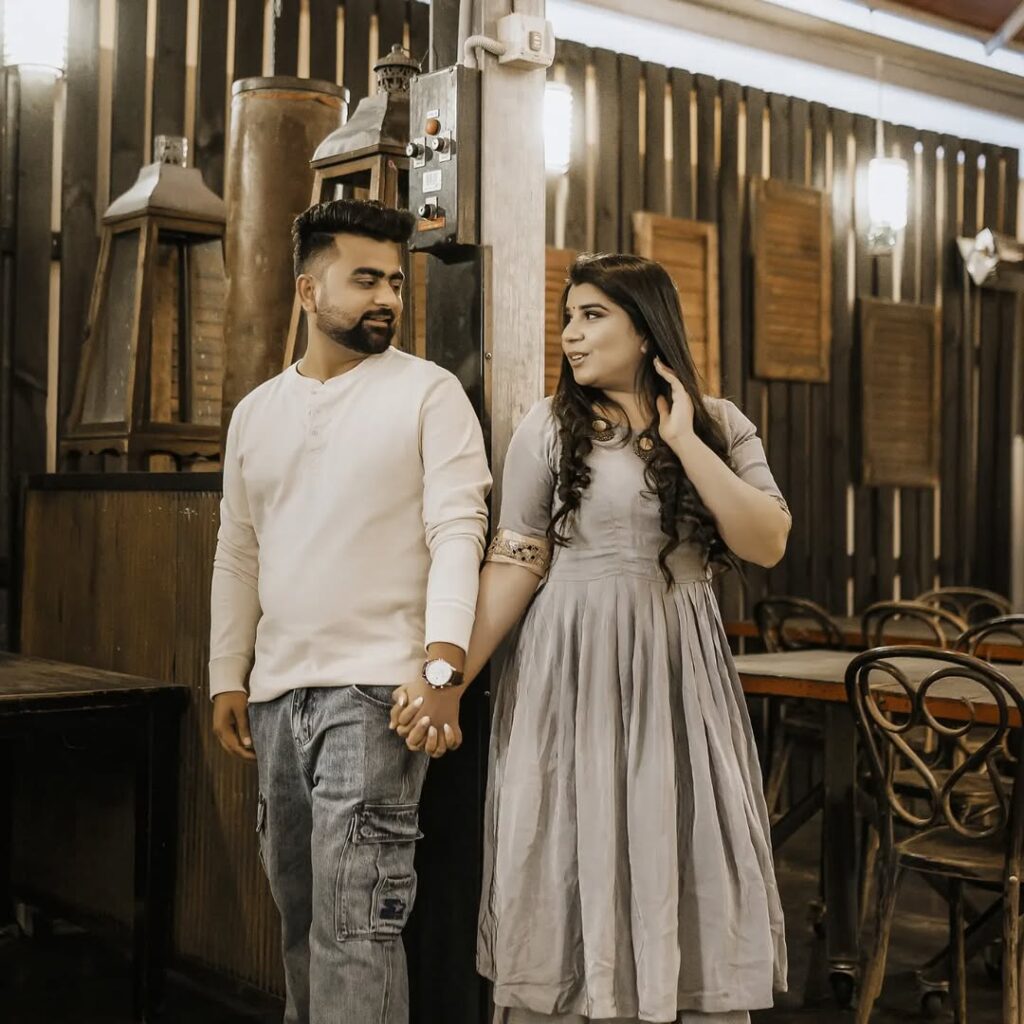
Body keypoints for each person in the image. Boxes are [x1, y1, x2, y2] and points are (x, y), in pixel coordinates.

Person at [393, 252, 791, 1024]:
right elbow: (516, 562)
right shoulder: (549, 427)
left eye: (592, 315)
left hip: (677, 673)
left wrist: (685, 439)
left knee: (677, 834)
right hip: (571, 670)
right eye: (567, 318)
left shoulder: (720, 424)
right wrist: (448, 680)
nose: (571, 334)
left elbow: (766, 540)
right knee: (569, 837)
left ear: (646, 329)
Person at [209, 198, 490, 1024]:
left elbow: (458, 529)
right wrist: (228, 674)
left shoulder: (429, 393)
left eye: (395, 282)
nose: (388, 298)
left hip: (377, 701)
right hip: (276, 699)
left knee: (355, 933)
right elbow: (238, 551)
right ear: (308, 290)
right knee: (300, 928)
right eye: (365, 279)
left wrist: (443, 668)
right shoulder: (256, 413)